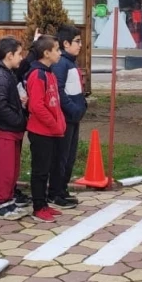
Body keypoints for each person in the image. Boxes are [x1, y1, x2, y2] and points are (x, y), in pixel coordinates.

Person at [0, 36, 32, 220]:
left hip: (12, 129)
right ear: (9, 55)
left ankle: (9, 200)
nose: (21, 58)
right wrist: (19, 121)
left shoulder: (8, 73)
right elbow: (1, 106)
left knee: (13, 168)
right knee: (5, 169)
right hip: (4, 130)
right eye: (19, 54)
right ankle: (1, 204)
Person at [25, 36, 66, 223]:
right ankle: (38, 207)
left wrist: (59, 123)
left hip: (52, 131)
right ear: (46, 53)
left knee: (47, 169)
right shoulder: (37, 74)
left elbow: (54, 103)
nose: (60, 53)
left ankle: (44, 204)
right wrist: (54, 124)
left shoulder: (50, 73)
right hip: (41, 131)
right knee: (40, 171)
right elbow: (36, 106)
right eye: (56, 49)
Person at [51, 25, 87, 206]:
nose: (80, 45)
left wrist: (82, 105)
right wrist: (73, 109)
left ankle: (62, 189)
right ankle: (55, 192)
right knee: (61, 157)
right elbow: (58, 90)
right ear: (65, 43)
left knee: (70, 156)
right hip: (66, 118)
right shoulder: (61, 63)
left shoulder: (72, 62)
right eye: (77, 41)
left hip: (74, 118)